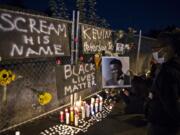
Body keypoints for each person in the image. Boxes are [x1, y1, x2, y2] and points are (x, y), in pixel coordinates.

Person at [146, 31, 180, 135]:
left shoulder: (168, 72)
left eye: (156, 48)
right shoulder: (166, 67)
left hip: (161, 125)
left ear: (167, 48)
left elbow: (171, 104)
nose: (153, 52)